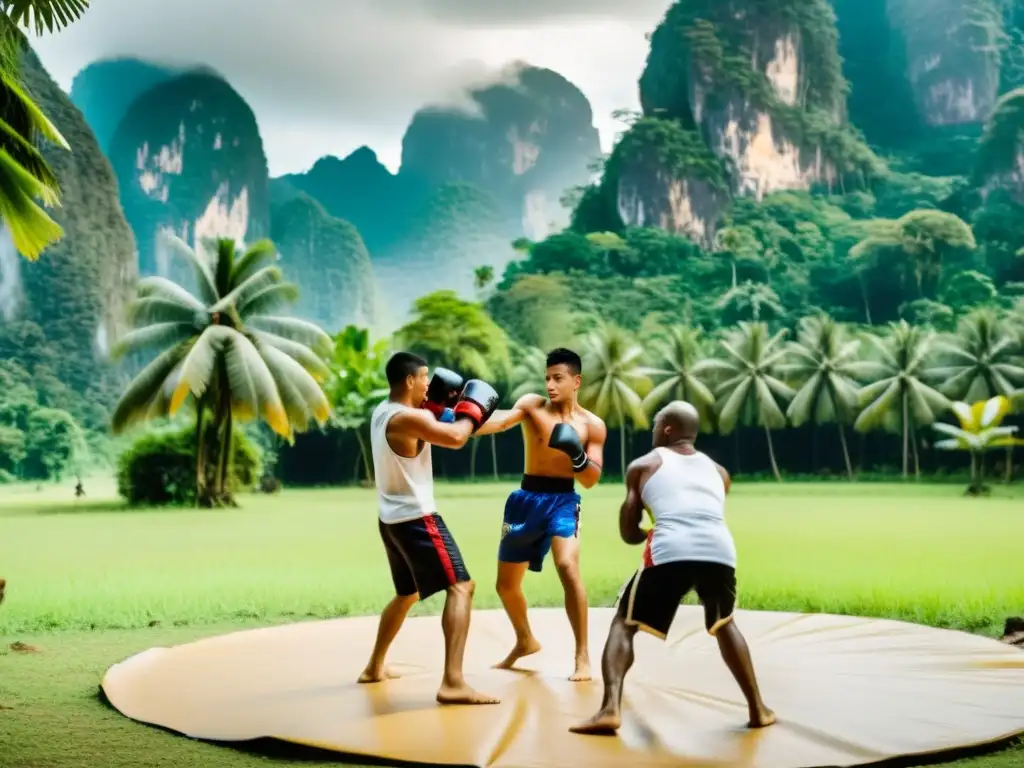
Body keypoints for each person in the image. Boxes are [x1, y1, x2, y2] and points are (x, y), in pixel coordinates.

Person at [570, 400, 775, 734]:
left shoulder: (644, 465)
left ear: (667, 428)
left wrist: (647, 531)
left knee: (624, 621)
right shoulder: (720, 472)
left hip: (671, 549)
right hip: (720, 551)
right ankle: (759, 708)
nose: (651, 430)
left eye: (655, 424)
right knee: (725, 623)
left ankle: (609, 709)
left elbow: (628, 532)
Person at [358, 351, 501, 706]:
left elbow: (467, 426)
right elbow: (455, 437)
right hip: (417, 519)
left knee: (407, 593)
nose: (429, 384)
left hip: (391, 520)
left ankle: (374, 666)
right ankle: (453, 682)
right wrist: (470, 408)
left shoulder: (384, 411)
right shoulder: (406, 418)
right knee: (462, 587)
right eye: (424, 377)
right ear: (409, 380)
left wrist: (524, 415)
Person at [474, 348, 607, 681]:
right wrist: (459, 419)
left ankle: (582, 656)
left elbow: (591, 480)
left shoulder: (592, 425)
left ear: (576, 381)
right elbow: (499, 421)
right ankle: (525, 640)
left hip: (563, 500)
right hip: (525, 500)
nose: (550, 384)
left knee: (567, 566)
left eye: (558, 378)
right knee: (506, 586)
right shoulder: (533, 406)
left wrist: (576, 453)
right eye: (547, 377)